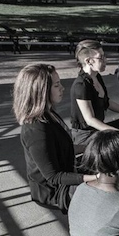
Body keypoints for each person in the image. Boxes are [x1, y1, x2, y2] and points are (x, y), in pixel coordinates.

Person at [13, 64, 97, 213]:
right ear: (41, 91)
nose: (62, 88)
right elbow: (54, 176)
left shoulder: (49, 114)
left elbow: (61, 149)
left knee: (110, 166)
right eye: (57, 85)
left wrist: (89, 148)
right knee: (108, 191)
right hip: (54, 192)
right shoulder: (36, 130)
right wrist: (94, 178)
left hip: (67, 171)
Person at [70, 40, 119, 145]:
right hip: (86, 135)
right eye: (101, 57)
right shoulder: (81, 85)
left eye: (104, 55)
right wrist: (117, 132)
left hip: (99, 129)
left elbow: (107, 102)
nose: (106, 60)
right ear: (88, 61)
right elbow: (90, 120)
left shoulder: (96, 76)